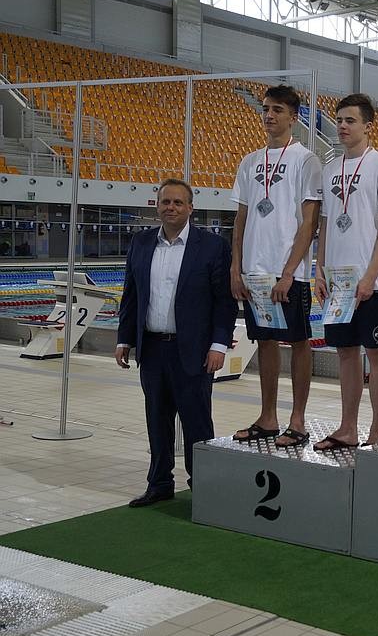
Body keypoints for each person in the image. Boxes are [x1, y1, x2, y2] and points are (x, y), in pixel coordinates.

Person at [115, 179, 237, 507]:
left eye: (178, 202)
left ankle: (204, 485)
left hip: (194, 350)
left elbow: (224, 302)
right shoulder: (141, 243)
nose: (171, 207)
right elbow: (131, 295)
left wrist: (219, 345)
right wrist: (124, 338)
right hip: (152, 347)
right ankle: (159, 483)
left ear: (190, 208)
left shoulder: (211, 246)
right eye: (165, 202)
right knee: (157, 419)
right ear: (157, 206)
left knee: (197, 421)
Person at [230, 85, 323, 448]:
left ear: (293, 117)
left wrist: (288, 272)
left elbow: (309, 223)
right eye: (266, 109)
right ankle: (268, 417)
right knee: (265, 342)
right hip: (255, 272)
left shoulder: (306, 160)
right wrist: (236, 268)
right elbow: (241, 219)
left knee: (299, 342)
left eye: (278, 110)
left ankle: (297, 420)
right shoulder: (249, 161)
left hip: (290, 273)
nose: (269, 115)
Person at [314, 94, 378, 449]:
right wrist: (319, 270)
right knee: (346, 353)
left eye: (350, 120)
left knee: (376, 354)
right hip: (338, 282)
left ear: (368, 126)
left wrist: (371, 276)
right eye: (339, 120)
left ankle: (377, 431)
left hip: (371, 282)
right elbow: (325, 224)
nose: (342, 126)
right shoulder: (329, 168)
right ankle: (347, 428)